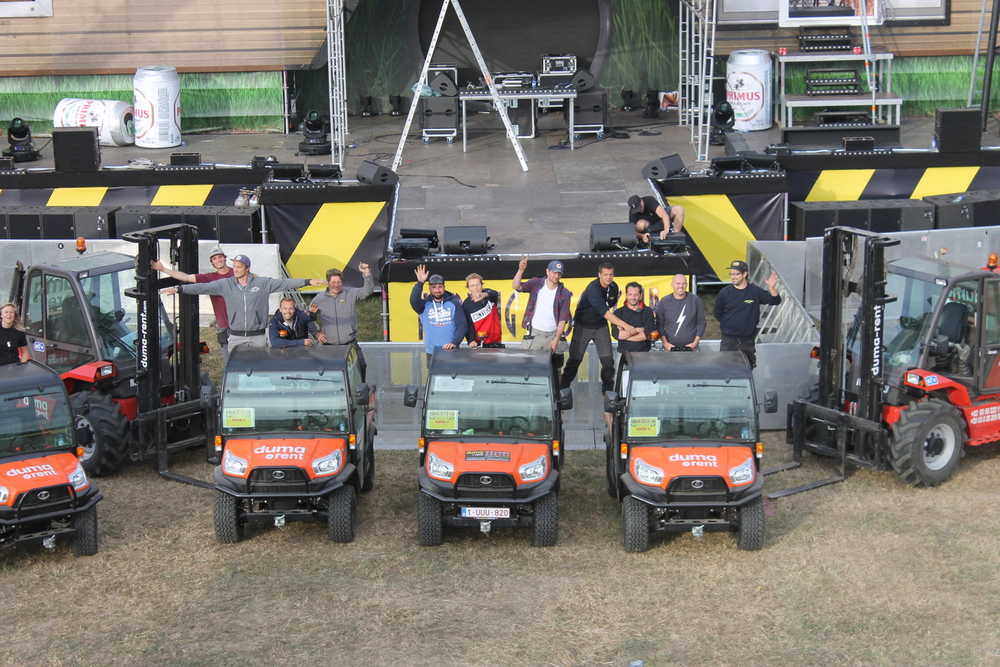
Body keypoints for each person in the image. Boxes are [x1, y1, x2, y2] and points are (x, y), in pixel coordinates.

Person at [172, 254, 325, 350]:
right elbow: (202, 288)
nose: (235, 269)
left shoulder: (262, 283)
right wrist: (180, 289)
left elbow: (285, 283)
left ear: (247, 268)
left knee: (258, 370)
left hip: (258, 337)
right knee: (236, 372)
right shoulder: (226, 284)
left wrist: (307, 281)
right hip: (235, 337)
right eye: (234, 266)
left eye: (239, 267)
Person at [560, 263, 638, 392]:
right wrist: (626, 326)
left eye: (611, 275)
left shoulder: (613, 287)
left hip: (600, 326)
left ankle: (607, 394)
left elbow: (612, 307)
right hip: (583, 326)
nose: (608, 278)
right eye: (605, 275)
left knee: (608, 362)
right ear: (599, 275)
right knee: (574, 361)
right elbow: (606, 313)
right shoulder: (593, 289)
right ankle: (562, 391)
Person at [152, 246, 233, 351]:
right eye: (215, 258)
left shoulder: (237, 273)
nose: (218, 260)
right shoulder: (210, 278)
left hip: (240, 323)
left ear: (225, 258)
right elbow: (186, 277)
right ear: (212, 262)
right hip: (224, 325)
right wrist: (163, 269)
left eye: (220, 257)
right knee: (228, 356)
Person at [715, 260, 781, 369]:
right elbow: (717, 313)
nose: (733, 277)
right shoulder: (724, 293)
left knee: (747, 369)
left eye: (736, 274)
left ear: (745, 274)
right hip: (728, 341)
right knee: (725, 369)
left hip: (747, 341)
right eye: (731, 274)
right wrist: (730, 325)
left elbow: (776, 301)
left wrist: (771, 287)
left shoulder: (754, 291)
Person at [512, 259, 572, 373]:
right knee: (530, 370)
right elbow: (516, 286)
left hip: (553, 334)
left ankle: (557, 390)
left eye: (559, 273)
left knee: (556, 370)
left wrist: (556, 339)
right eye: (554, 272)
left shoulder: (564, 293)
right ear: (547, 272)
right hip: (535, 334)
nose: (556, 276)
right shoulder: (536, 283)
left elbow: (563, 320)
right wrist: (520, 270)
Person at [410, 266, 467, 362]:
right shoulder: (424, 305)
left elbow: (462, 325)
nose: (437, 290)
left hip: (451, 350)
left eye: (440, 287)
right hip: (432, 352)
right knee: (435, 376)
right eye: (434, 287)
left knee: (451, 376)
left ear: (444, 287)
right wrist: (420, 283)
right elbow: (413, 301)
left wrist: (454, 342)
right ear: (429, 288)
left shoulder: (454, 303)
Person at [310, 263, 374, 346]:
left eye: (339, 282)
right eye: (333, 282)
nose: (336, 285)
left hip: (350, 344)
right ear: (328, 282)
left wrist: (367, 273)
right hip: (328, 346)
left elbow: (367, 291)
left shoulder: (351, 293)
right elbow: (308, 319)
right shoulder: (319, 299)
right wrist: (316, 333)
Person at [655, 274, 706, 351]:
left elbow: (701, 323)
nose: (681, 286)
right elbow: (659, 324)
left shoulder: (695, 300)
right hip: (670, 348)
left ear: (687, 284)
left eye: (684, 283)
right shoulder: (664, 301)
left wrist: (695, 342)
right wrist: (665, 343)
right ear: (672, 284)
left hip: (691, 348)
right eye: (678, 283)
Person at [613, 283, 656, 353]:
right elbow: (618, 335)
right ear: (626, 295)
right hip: (623, 354)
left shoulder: (648, 312)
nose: (633, 298)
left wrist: (626, 336)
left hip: (644, 354)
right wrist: (637, 330)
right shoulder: (618, 313)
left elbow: (647, 335)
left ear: (640, 296)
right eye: (630, 294)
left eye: (636, 295)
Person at [462, 273, 502, 348]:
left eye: (478, 284)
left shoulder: (489, 294)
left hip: (496, 341)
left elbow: (495, 293)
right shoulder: (466, 304)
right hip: (480, 343)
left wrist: (485, 294)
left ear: (481, 285)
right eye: (472, 285)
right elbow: (468, 325)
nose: (475, 288)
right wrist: (471, 340)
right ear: (468, 288)